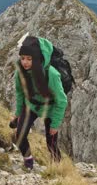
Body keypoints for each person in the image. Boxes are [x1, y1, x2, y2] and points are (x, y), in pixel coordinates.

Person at [11, 35, 68, 170]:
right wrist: (18, 114)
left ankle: (58, 168)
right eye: (22, 58)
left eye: (29, 59)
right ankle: (28, 162)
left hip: (50, 108)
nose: (25, 62)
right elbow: (20, 93)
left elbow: (62, 100)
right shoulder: (20, 73)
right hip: (31, 105)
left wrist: (55, 124)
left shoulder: (52, 74)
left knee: (51, 143)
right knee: (20, 135)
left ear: (37, 59)